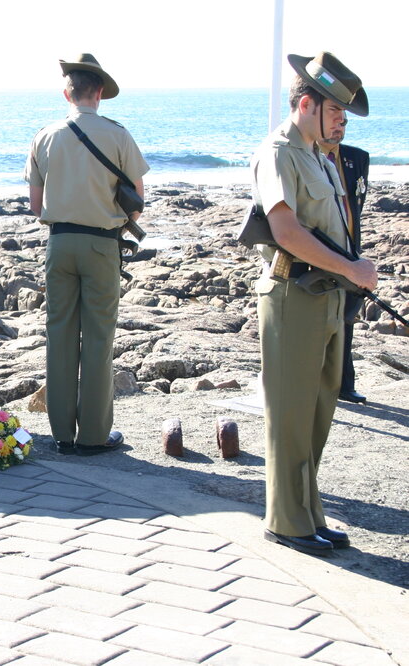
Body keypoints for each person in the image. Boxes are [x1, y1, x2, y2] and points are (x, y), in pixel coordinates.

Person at [251, 51, 377, 556]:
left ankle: (308, 513)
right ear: (307, 104)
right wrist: (350, 268)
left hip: (326, 297)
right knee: (291, 416)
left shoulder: (316, 154)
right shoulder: (281, 151)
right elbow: (286, 231)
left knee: (318, 414)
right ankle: (286, 520)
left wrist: (349, 273)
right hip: (293, 294)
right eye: (336, 113)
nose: (342, 123)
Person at [24, 54, 148, 456]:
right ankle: (93, 436)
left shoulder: (45, 135)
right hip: (101, 245)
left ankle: (61, 433)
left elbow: (35, 206)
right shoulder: (118, 135)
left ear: (67, 93)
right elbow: (137, 205)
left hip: (59, 243)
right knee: (98, 337)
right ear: (99, 94)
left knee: (59, 335)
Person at [316, 124, 370, 403]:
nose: (339, 126)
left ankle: (345, 385)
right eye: (334, 116)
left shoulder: (357, 158)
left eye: (345, 121)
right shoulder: (306, 158)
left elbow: (355, 206)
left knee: (347, 318)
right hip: (316, 254)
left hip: (350, 253)